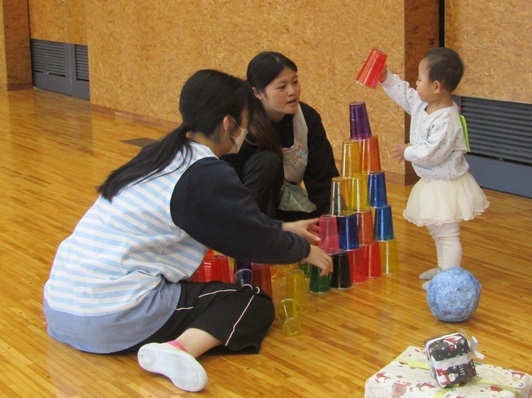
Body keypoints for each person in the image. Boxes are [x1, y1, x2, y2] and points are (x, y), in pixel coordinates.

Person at [43, 69, 333, 393]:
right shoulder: (204, 173)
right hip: (110, 316)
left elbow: (235, 222)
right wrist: (302, 249)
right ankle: (177, 350)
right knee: (252, 302)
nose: (246, 129)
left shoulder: (160, 154)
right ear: (228, 124)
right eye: (244, 120)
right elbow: (249, 240)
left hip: (60, 307)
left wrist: (283, 226)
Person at [377, 47, 489, 290]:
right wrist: (387, 79)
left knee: (448, 233)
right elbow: (405, 95)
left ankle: (450, 279)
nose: (415, 84)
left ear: (436, 86)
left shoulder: (447, 120)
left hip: (446, 186)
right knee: (437, 229)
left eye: (419, 79)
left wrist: (407, 151)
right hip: (431, 182)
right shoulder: (422, 102)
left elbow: (431, 152)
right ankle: (443, 268)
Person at [222, 51, 339, 221]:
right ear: (257, 93)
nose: (292, 91)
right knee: (267, 162)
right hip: (245, 210)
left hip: (285, 202)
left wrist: (335, 224)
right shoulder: (241, 123)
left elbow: (323, 179)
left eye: (295, 82)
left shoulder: (308, 118)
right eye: (282, 87)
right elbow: (228, 183)